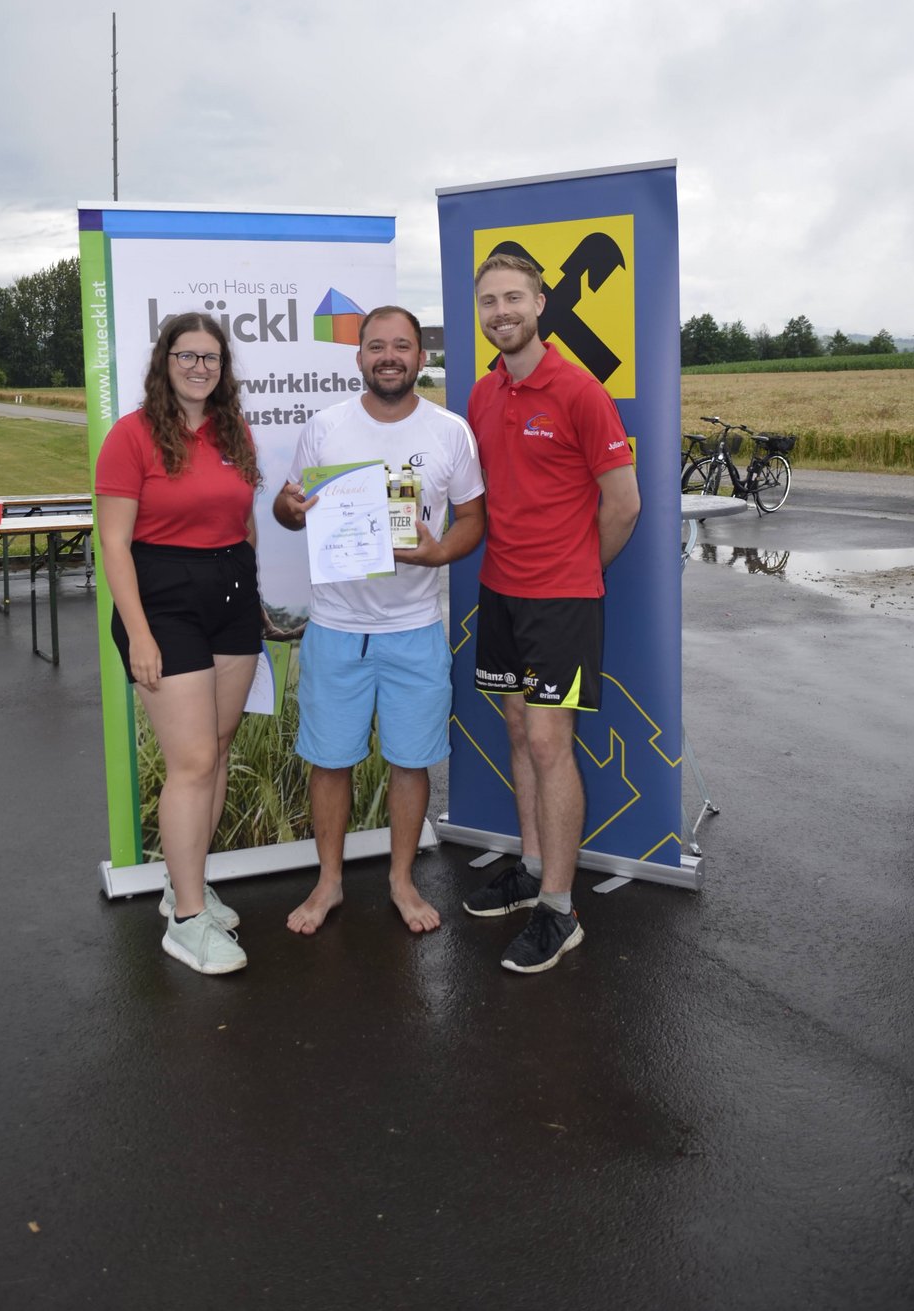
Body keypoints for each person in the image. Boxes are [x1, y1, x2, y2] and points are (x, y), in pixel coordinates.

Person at [273, 306, 485, 936]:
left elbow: (473, 519)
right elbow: (289, 507)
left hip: (414, 628)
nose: (388, 357)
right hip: (336, 627)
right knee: (329, 760)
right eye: (376, 346)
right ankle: (329, 882)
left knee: (410, 761)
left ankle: (400, 880)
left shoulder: (451, 432)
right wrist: (289, 507)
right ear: (359, 356)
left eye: (402, 346)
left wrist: (439, 553)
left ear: (421, 356)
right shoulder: (325, 427)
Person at [463, 253, 641, 974]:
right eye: (489, 301)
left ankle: (560, 910)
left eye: (514, 297)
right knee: (517, 730)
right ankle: (533, 869)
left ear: (539, 303)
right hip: (500, 590)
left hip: (560, 600)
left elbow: (624, 504)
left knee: (547, 742)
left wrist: (576, 573)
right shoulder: (482, 393)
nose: (501, 311)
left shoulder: (579, 390)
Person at [95, 312, 263, 976]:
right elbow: (114, 543)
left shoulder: (234, 430)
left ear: (224, 367)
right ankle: (188, 922)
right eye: (187, 356)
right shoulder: (132, 435)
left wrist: (254, 598)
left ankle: (182, 884)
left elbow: (243, 521)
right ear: (165, 362)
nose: (200, 367)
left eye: (211, 357)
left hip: (232, 593)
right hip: (163, 600)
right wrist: (138, 632)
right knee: (192, 760)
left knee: (216, 750)